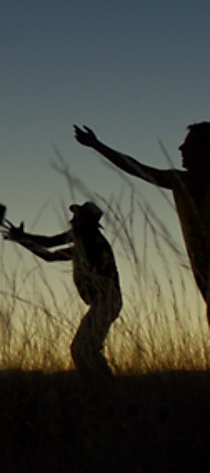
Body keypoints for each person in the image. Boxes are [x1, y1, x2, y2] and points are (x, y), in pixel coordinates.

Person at [75, 123, 210, 324]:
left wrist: (97, 145)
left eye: (189, 144)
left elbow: (137, 169)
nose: (181, 149)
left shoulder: (187, 182)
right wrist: (96, 145)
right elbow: (136, 168)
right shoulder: (181, 181)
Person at [3, 202, 122, 387]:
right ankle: (104, 388)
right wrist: (22, 237)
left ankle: (104, 391)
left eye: (77, 216)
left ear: (86, 222)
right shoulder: (84, 237)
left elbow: (50, 255)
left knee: (81, 350)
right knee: (85, 350)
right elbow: (49, 242)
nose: (72, 219)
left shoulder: (90, 244)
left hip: (106, 302)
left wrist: (22, 239)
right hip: (105, 302)